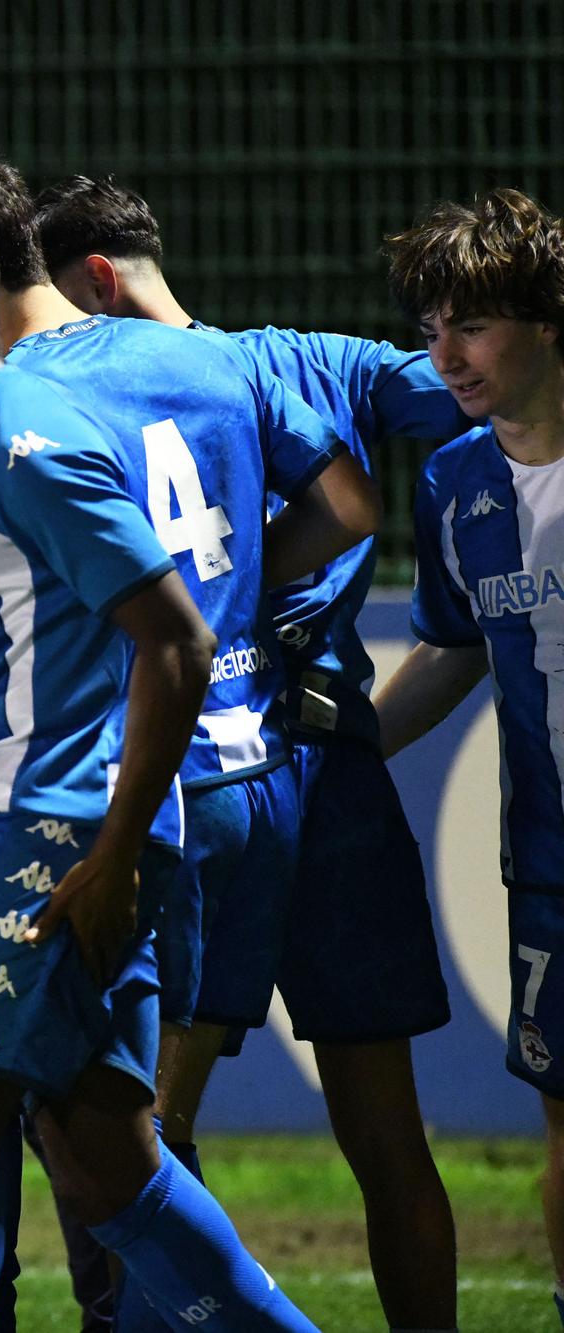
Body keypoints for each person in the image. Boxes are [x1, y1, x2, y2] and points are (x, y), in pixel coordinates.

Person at [0, 204, 319, 1332]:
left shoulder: (22, 439)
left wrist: (111, 853)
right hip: (22, 827)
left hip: (45, 838)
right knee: (102, 1160)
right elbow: (0, 691)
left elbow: (175, 638)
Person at [36, 171, 468, 1333]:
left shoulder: (76, 396)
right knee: (389, 1140)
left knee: (145, 1131)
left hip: (208, 778)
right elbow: (449, 400)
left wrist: (209, 605)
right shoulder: (310, 359)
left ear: (87, 284)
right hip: (330, 770)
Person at [377, 186, 564, 1331]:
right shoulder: (455, 482)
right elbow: (450, 649)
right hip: (547, 863)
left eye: (471, 325)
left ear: (546, 320)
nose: (442, 355)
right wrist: (346, 741)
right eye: (428, 327)